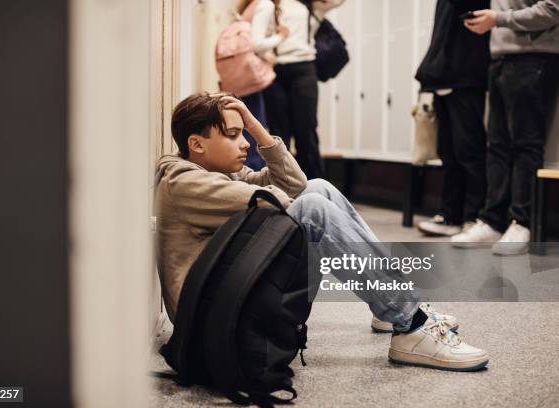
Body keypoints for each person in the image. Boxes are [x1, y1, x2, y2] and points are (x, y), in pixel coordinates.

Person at [155, 92, 489, 371]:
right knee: (311, 208)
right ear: (196, 144)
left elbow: (296, 184)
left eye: (244, 134)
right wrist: (302, 202)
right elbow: (277, 200)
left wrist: (257, 129)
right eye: (233, 135)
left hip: (229, 301)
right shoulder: (184, 183)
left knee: (318, 188)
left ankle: (394, 305)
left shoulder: (217, 173)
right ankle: (409, 323)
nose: (243, 143)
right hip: (213, 324)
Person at [454, 0, 559, 255]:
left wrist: (498, 19)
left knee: (526, 144)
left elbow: (552, 9)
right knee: (497, 145)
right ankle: (493, 220)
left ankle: (523, 222)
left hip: (533, 59)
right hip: (500, 57)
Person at [415, 0, 490, 238]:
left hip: (466, 75)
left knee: (469, 150)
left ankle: (473, 216)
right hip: (442, 75)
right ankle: (451, 215)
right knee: (447, 151)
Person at [262, 0, 345, 179]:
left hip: (304, 69)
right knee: (279, 134)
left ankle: (315, 187)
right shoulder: (269, 4)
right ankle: (281, 186)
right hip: (275, 72)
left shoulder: (312, 6)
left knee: (306, 131)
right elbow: (259, 36)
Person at [232, 0, 290, 170]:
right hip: (252, 77)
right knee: (255, 128)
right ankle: (255, 179)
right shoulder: (265, 4)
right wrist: (281, 36)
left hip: (242, 75)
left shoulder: (250, 5)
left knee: (247, 126)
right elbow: (256, 44)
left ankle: (247, 175)